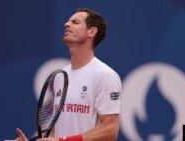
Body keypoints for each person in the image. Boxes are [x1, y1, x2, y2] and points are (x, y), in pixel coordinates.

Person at [7, 7, 122, 141]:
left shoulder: (105, 75)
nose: (66, 24)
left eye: (75, 22)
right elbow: (53, 134)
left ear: (92, 31)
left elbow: (110, 129)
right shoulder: (59, 78)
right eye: (68, 21)